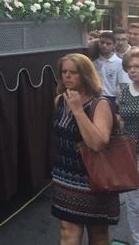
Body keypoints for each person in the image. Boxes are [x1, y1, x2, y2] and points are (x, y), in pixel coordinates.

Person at [51, 53, 119, 244]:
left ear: (85, 75)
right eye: (64, 72)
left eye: (73, 72)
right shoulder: (60, 101)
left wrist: (78, 111)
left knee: (98, 234)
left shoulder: (100, 104)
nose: (67, 76)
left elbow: (98, 143)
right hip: (66, 176)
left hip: (94, 180)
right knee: (67, 231)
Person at [119, 47, 139, 245]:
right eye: (130, 66)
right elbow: (121, 120)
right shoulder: (124, 92)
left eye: (138, 66)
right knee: (133, 202)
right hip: (130, 153)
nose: (133, 70)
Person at [93, 31, 130, 107]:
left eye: (108, 44)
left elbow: (123, 85)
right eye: (102, 42)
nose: (104, 45)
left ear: (114, 45)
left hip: (112, 99)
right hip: (95, 97)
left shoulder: (119, 63)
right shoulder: (94, 62)